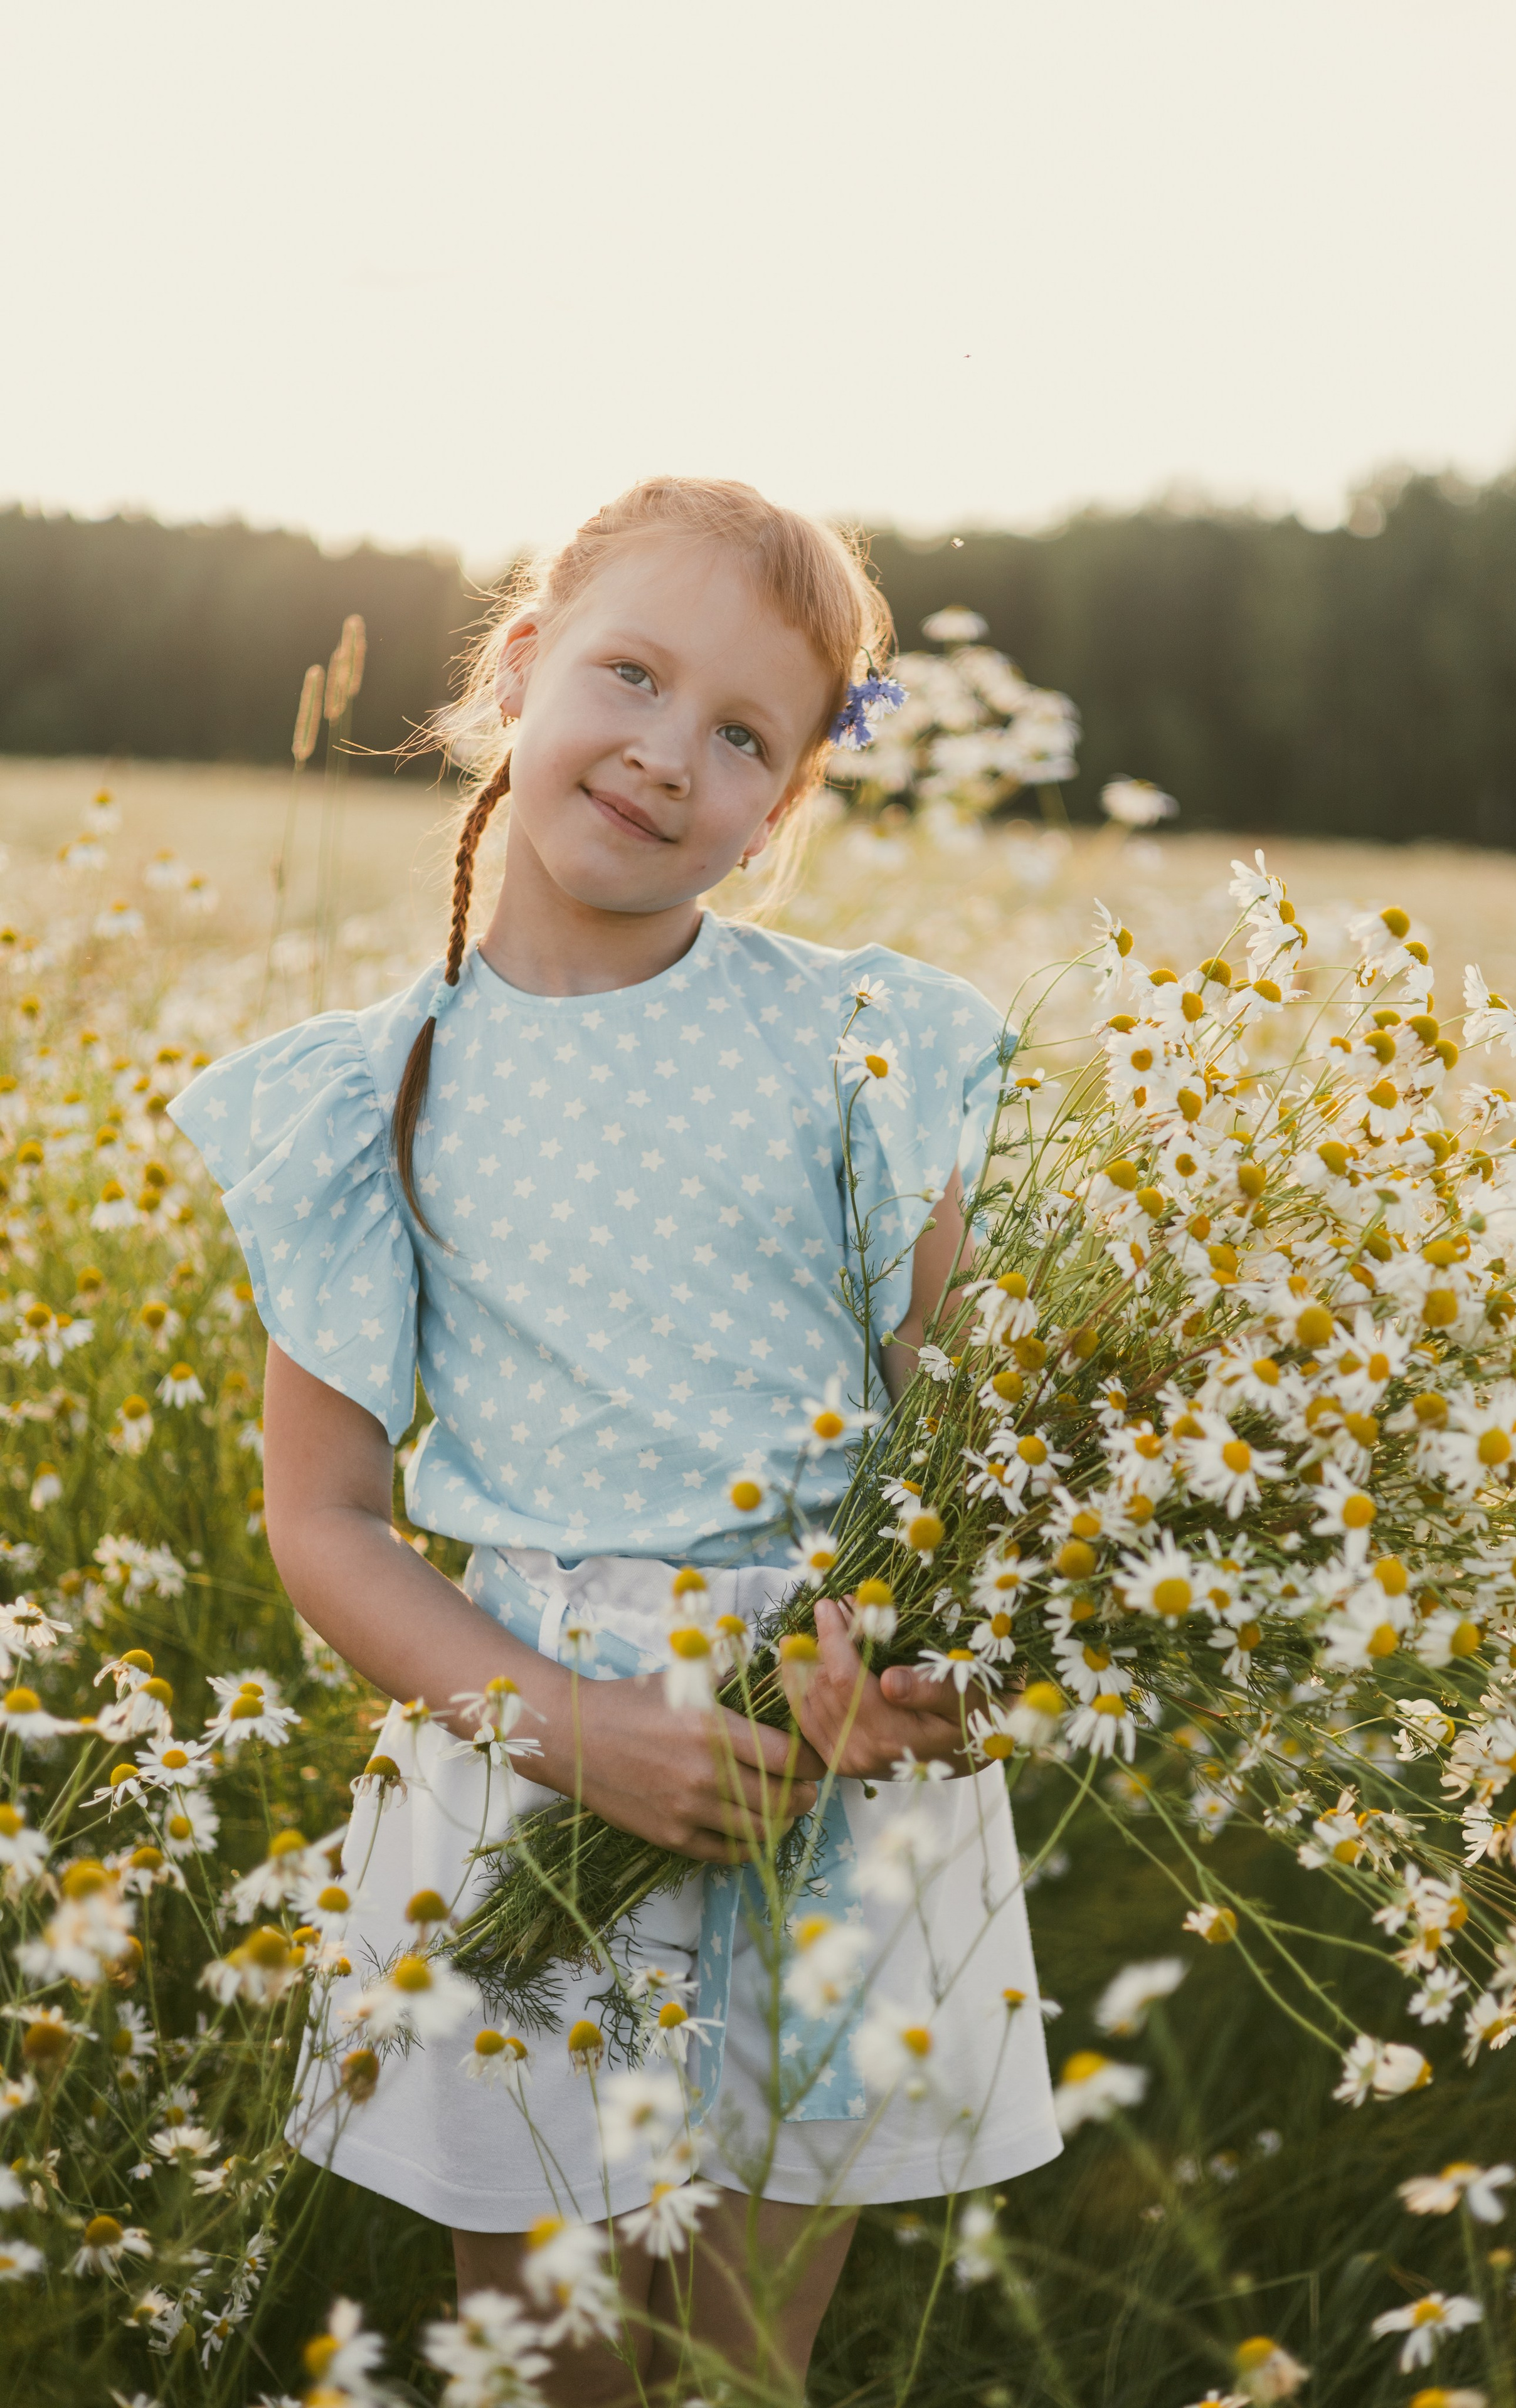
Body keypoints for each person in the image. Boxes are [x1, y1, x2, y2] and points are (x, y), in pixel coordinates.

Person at [170, 477, 1060, 2403]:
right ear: (517, 671)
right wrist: (567, 1726)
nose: (669, 755)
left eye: (743, 733)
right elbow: (326, 1522)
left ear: (788, 800)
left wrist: (909, 1681)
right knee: (564, 2366)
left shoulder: (858, 1050)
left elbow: (981, 1457)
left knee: (743, 2363)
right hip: (545, 1766)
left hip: (822, 1784)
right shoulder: (373, 1093)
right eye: (631, 677)